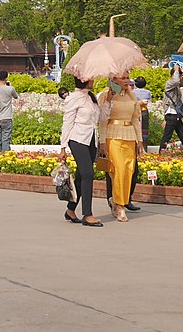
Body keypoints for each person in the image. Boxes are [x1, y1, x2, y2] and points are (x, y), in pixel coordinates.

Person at [97, 71, 144, 223]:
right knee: (118, 171)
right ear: (113, 80)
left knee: (129, 170)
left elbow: (136, 119)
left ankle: (122, 200)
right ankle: (119, 205)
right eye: (122, 78)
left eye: (127, 78)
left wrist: (140, 140)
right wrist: (102, 142)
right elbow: (103, 121)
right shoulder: (105, 95)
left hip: (129, 135)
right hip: (113, 136)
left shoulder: (132, 96)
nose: (126, 81)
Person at [59, 78, 103, 227]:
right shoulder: (74, 98)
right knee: (88, 174)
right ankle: (87, 214)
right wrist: (63, 147)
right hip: (77, 139)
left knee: (81, 175)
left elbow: (100, 118)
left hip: (91, 139)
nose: (93, 80)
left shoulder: (91, 97)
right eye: (90, 78)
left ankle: (70, 210)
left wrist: (108, 99)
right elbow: (67, 122)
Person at [160, 65, 183, 148]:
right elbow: (175, 81)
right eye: (179, 75)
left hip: (176, 114)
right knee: (167, 136)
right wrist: (176, 70)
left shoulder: (175, 86)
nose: (180, 77)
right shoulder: (169, 83)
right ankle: (161, 153)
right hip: (171, 114)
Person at [132, 76, 152, 145]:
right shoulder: (148, 92)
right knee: (144, 130)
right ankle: (144, 146)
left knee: (135, 129)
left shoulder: (132, 92)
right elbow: (150, 102)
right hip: (144, 111)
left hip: (135, 112)